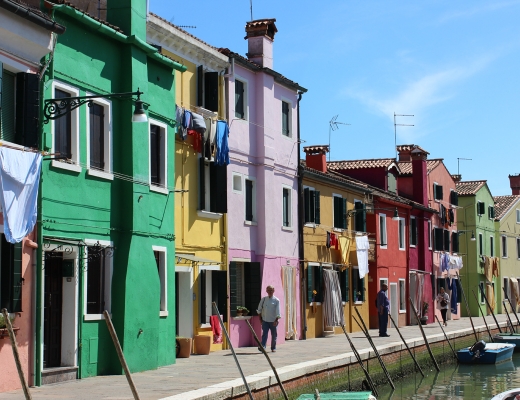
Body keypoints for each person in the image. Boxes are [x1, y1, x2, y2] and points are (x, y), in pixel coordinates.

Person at [256, 285, 281, 352]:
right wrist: (260, 319)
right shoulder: (263, 300)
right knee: (264, 334)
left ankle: (273, 347)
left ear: (273, 291)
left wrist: (276, 320)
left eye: (271, 290)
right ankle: (263, 347)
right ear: (266, 291)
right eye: (268, 290)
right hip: (265, 320)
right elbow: (259, 310)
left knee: (274, 335)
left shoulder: (276, 300)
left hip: (273, 321)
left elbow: (278, 312)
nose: (270, 292)